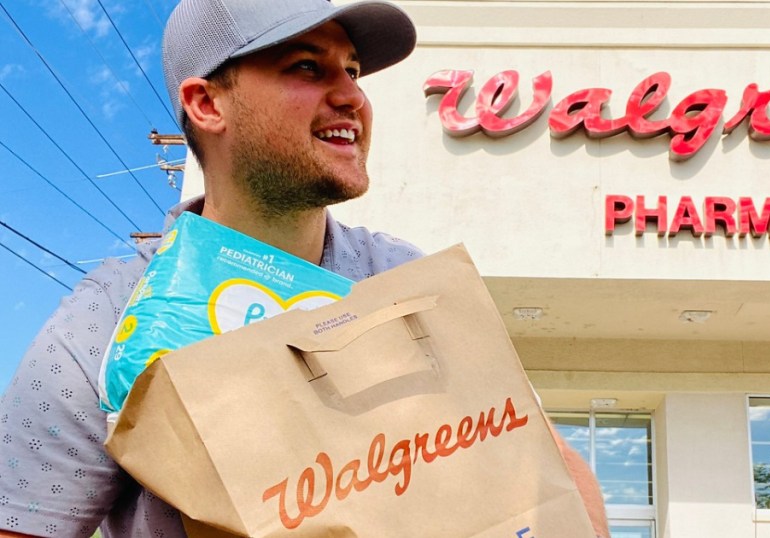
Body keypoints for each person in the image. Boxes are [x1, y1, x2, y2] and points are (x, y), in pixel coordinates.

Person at [0, 0, 609, 536]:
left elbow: (544, 465)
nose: (351, 96)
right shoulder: (105, 325)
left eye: (351, 69)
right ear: (206, 103)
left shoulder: (403, 279)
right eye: (306, 67)